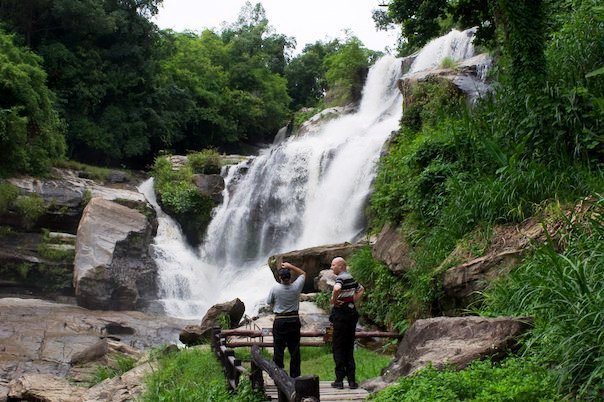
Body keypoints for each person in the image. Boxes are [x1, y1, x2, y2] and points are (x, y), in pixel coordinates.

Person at [329, 256, 364, 389]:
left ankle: (339, 380)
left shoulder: (340, 278)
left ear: (341, 266)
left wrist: (334, 300)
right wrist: (352, 299)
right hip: (351, 313)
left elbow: (337, 289)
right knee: (349, 347)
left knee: (338, 347)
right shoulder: (351, 277)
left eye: (333, 265)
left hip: (341, 316)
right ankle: (352, 381)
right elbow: (361, 289)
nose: (331, 268)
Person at [266, 261, 306, 378]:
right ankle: (295, 376)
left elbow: (269, 302)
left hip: (280, 320)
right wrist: (291, 266)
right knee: (294, 349)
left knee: (278, 348)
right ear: (290, 276)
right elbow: (303, 273)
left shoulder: (275, 288)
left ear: (280, 278)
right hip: (294, 319)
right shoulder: (296, 287)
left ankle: (279, 375)